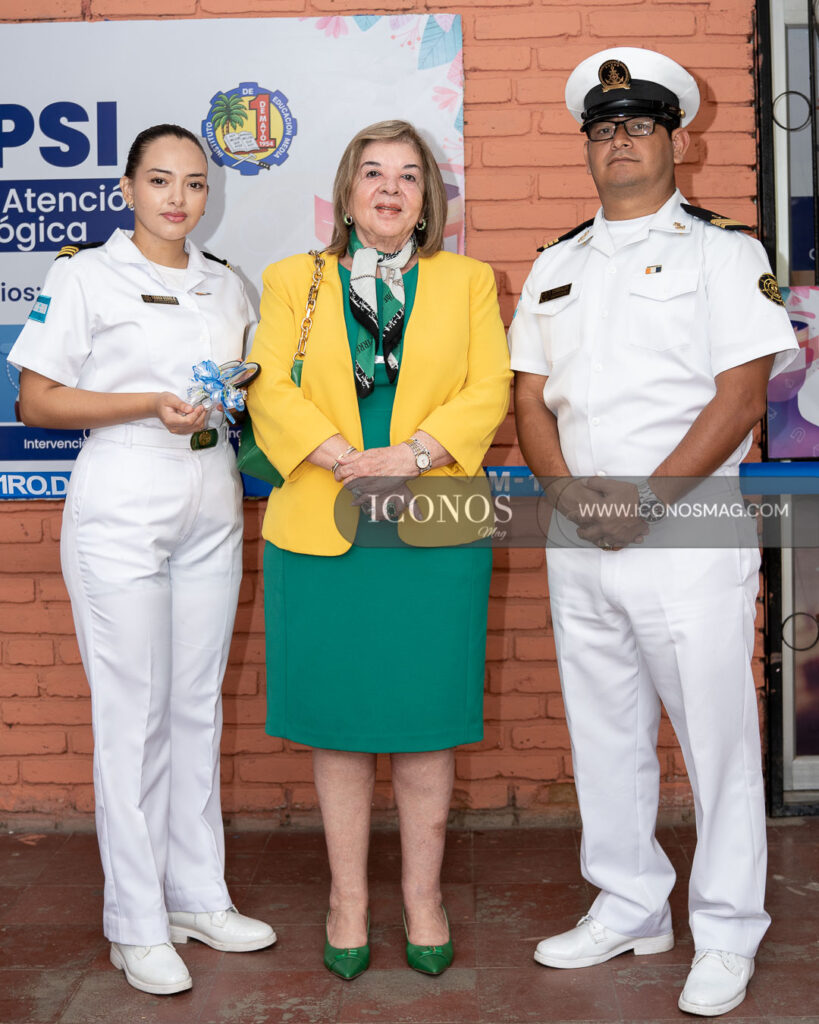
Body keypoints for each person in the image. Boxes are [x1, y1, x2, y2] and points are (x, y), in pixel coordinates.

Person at [508, 49, 798, 1017]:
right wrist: (565, 493)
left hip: (687, 526)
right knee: (606, 728)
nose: (618, 141)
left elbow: (742, 390)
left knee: (715, 737)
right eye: (602, 128)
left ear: (676, 139)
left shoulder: (727, 252)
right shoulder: (555, 264)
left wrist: (647, 501)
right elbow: (529, 395)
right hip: (579, 529)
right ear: (588, 148)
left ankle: (725, 929)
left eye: (636, 125)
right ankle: (630, 900)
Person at [9, 124, 275, 996]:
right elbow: (37, 398)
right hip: (123, 493)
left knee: (195, 705)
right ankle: (134, 919)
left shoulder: (228, 284)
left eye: (195, 184)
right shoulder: (85, 274)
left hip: (209, 498)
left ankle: (197, 892)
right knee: (133, 714)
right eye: (160, 181)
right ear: (127, 187)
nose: (178, 199)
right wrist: (142, 406)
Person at [247, 119, 511, 980]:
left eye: (408, 174)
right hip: (323, 520)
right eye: (373, 173)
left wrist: (414, 454)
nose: (390, 188)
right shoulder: (295, 280)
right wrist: (340, 458)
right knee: (342, 725)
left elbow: (489, 386)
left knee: (424, 720)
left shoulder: (467, 281)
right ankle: (347, 899)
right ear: (345, 193)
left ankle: (423, 898)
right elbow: (269, 385)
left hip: (431, 520)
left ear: (428, 196)